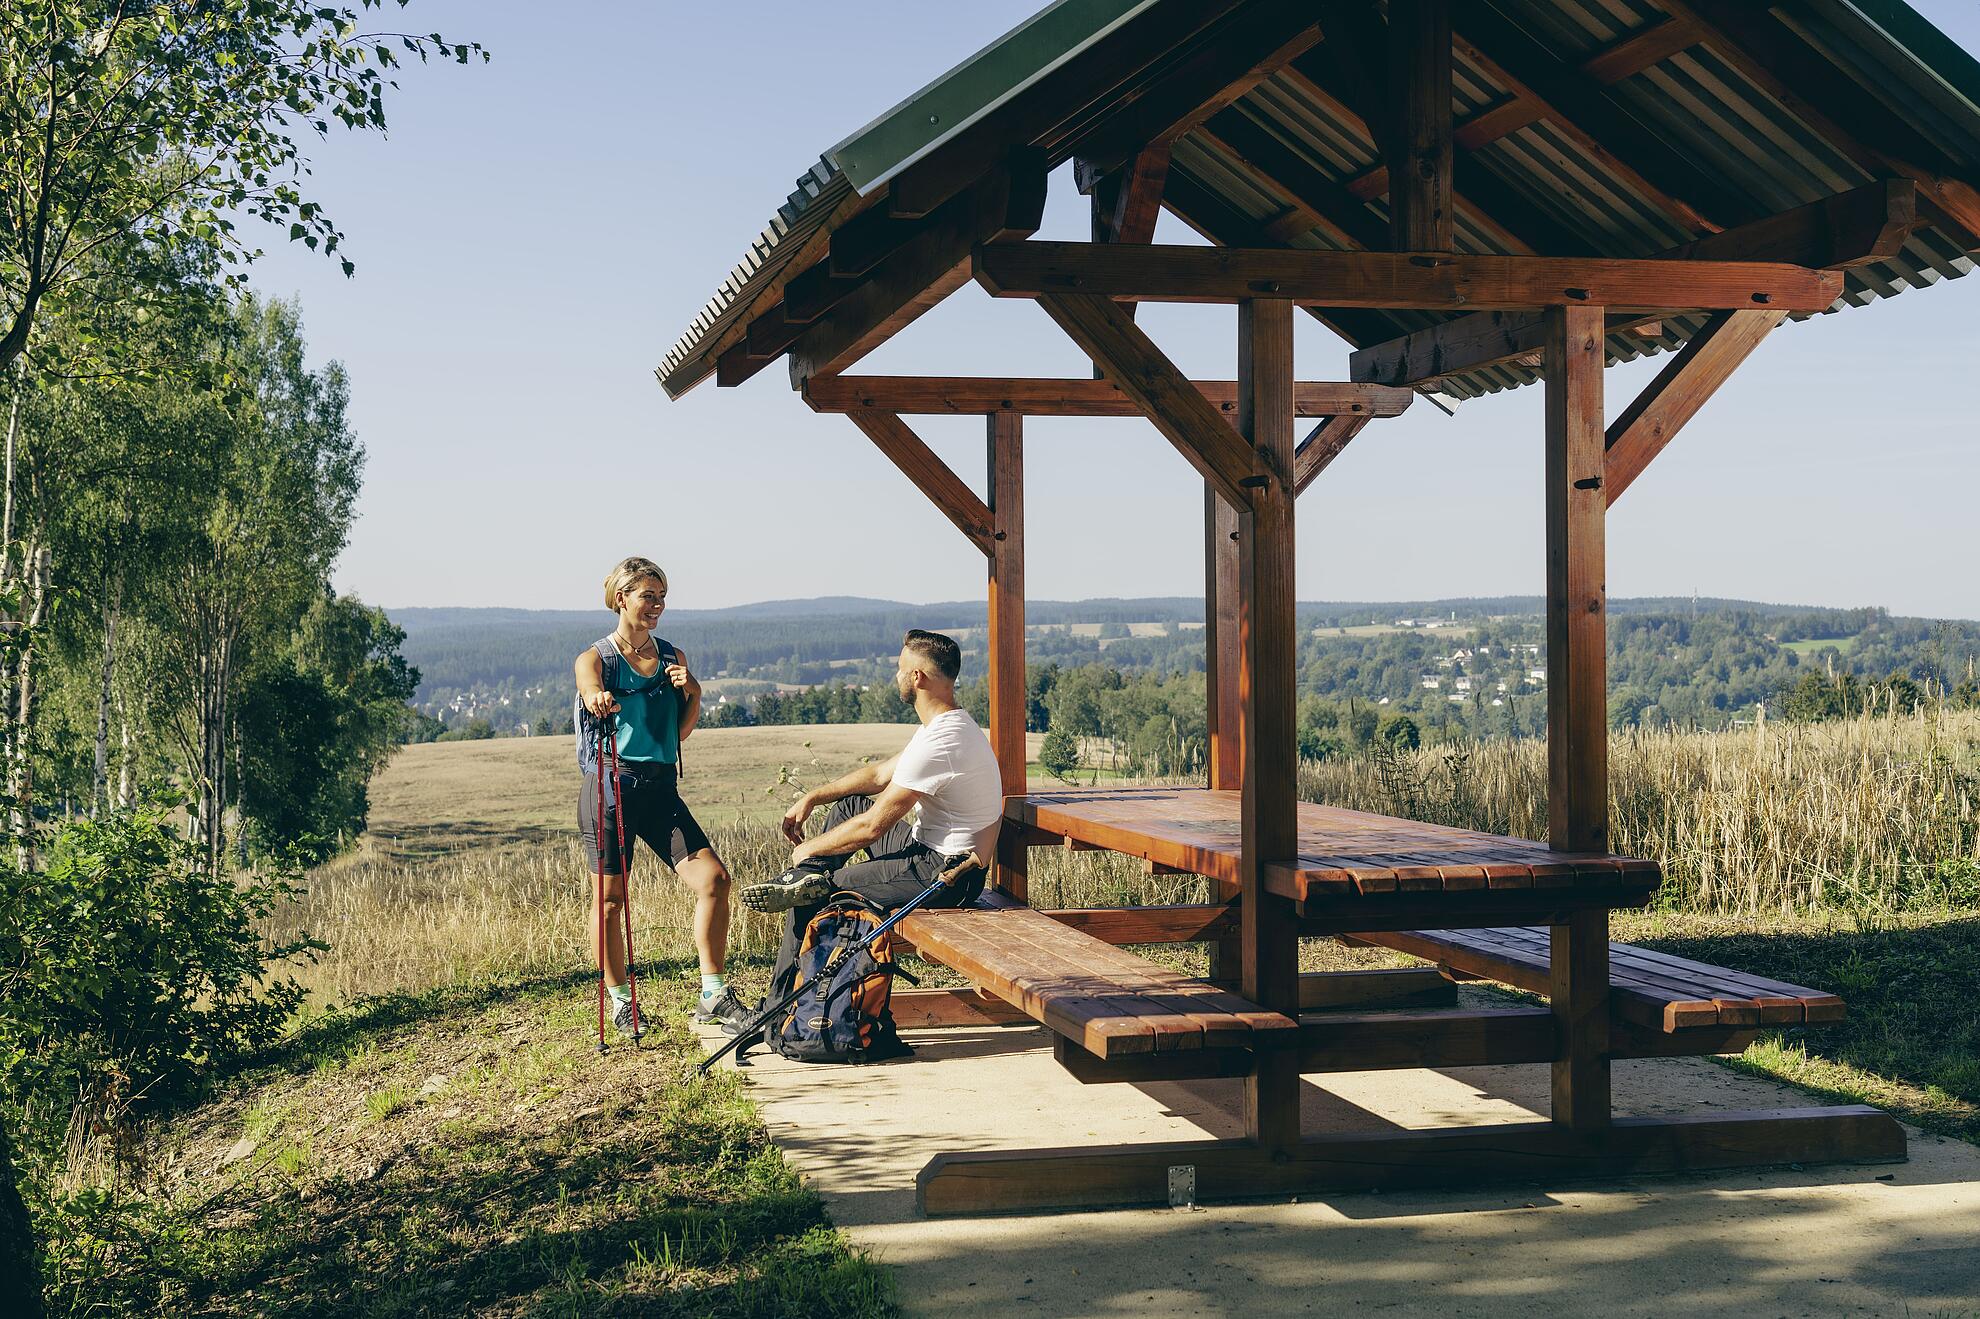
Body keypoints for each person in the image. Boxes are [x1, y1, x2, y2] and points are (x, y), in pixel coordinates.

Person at [739, 629, 1003, 1020]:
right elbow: (879, 775)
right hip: (930, 850)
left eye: (900, 669)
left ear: (918, 677)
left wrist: (809, 848)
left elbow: (875, 826)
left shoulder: (942, 742)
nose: (895, 676)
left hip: (946, 875)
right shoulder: (945, 726)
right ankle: (804, 879)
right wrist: (814, 796)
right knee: (849, 806)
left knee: (810, 896)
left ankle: (775, 1009)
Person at [574, 557, 751, 1034]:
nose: (657, 605)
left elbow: (680, 733)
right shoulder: (596, 658)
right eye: (647, 596)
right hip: (610, 787)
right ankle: (618, 1000)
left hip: (659, 788)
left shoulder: (674, 654)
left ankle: (713, 994)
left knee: (714, 880)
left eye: (661, 596)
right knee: (610, 902)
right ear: (621, 598)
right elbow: (589, 689)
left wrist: (693, 691)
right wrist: (596, 699)